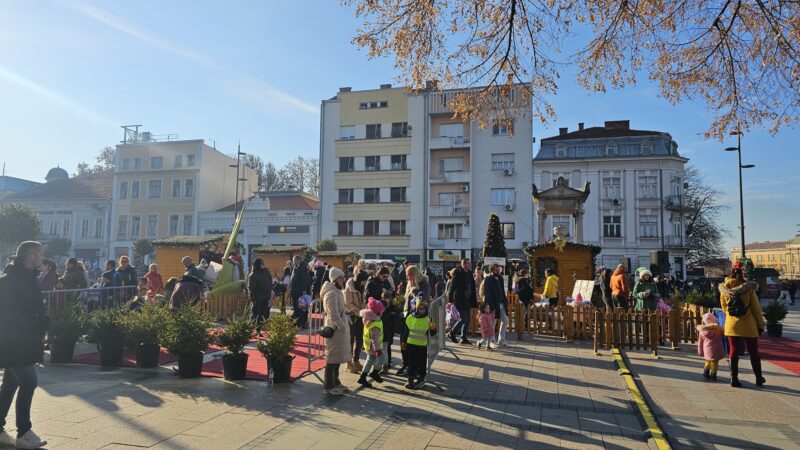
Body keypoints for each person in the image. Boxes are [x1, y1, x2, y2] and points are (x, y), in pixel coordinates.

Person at [0, 241, 49, 449]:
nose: (42, 259)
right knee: (29, 381)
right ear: (30, 256)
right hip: (14, 342)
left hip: (25, 340)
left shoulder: (29, 278)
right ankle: (24, 431)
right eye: (40, 255)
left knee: (11, 383)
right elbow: (8, 314)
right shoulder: (9, 281)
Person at [719, 265, 765, 388]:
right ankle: (759, 378)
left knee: (733, 351)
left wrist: (731, 316)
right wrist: (761, 325)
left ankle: (734, 379)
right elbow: (756, 309)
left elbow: (724, 307)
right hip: (748, 324)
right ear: (742, 274)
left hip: (732, 324)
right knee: (753, 351)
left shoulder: (724, 288)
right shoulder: (749, 288)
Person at [321, 267, 351, 395]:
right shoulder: (331, 294)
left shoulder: (338, 292)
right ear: (335, 279)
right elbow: (333, 314)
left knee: (337, 359)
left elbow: (340, 311)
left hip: (340, 330)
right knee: (332, 359)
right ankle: (329, 385)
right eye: (341, 278)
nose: (343, 280)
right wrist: (342, 326)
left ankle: (336, 382)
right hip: (334, 330)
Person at [401, 300, 437, 389]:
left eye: (423, 309)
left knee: (421, 363)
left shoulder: (428, 319)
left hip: (422, 345)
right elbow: (406, 332)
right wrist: (404, 342)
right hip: (411, 345)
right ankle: (410, 380)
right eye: (420, 309)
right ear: (416, 309)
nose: (421, 310)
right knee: (411, 363)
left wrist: (433, 328)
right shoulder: (410, 318)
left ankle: (421, 379)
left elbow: (432, 334)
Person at [447, 259, 477, 345]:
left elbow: (472, 285)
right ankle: (452, 333)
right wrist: (450, 299)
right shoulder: (458, 272)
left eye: (469, 263)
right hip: (460, 299)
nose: (469, 265)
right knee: (463, 318)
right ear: (463, 264)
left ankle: (463, 337)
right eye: (468, 263)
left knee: (467, 320)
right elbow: (452, 286)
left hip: (468, 299)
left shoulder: (469, 273)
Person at [357, 297, 386, 388]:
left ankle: (363, 377)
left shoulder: (367, 319)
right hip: (374, 347)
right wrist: (378, 350)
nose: (382, 311)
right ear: (377, 312)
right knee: (382, 359)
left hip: (368, 346)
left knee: (369, 360)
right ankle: (374, 373)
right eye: (381, 310)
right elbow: (375, 339)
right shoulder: (375, 324)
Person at [344, 271, 369, 374]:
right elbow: (348, 303)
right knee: (350, 340)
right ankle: (348, 363)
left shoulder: (363, 287)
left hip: (360, 316)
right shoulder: (349, 287)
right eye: (364, 281)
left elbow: (364, 300)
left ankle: (356, 360)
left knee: (360, 339)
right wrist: (359, 312)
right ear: (360, 280)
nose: (365, 283)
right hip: (352, 316)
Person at [484, 264, 509, 347]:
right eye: (496, 270)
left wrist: (505, 300)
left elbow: (502, 290)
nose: (498, 272)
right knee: (492, 322)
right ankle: (491, 341)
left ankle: (501, 340)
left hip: (501, 303)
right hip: (493, 304)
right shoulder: (488, 279)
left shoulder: (500, 278)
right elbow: (487, 293)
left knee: (505, 320)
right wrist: (490, 305)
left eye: (499, 270)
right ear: (491, 270)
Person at [697, 312, 724, 382]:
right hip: (717, 349)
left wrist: (700, 352)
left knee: (708, 360)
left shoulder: (701, 330)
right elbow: (724, 331)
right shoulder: (718, 329)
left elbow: (700, 342)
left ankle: (706, 372)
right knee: (715, 362)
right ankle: (713, 375)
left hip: (707, 350)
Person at [248, 258, 273, 332]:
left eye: (263, 263)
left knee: (262, 315)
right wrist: (253, 299)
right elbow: (251, 289)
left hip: (265, 297)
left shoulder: (266, 271)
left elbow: (269, 282)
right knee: (255, 314)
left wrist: (269, 296)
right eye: (261, 263)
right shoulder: (253, 275)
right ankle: (249, 330)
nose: (263, 264)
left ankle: (258, 330)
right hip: (257, 298)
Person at [289, 256, 311, 328]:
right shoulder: (295, 268)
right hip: (294, 292)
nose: (293, 262)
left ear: (298, 260)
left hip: (300, 292)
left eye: (294, 260)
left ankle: (301, 323)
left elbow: (304, 280)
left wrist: (303, 291)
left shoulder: (302, 268)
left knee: (301, 309)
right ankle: (297, 322)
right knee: (296, 308)